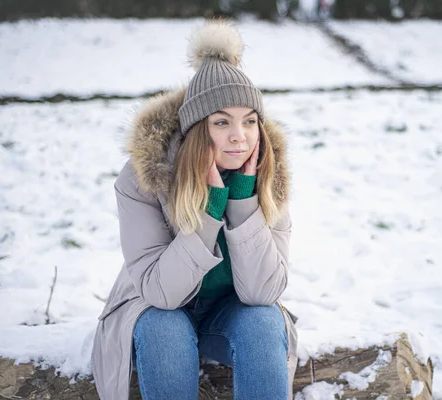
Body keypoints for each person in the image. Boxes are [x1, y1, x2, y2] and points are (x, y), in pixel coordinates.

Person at [91, 19, 298, 400]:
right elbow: (161, 294)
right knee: (164, 328)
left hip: (229, 314)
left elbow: (264, 292)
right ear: (197, 130)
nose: (240, 135)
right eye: (222, 122)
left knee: (264, 321)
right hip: (157, 311)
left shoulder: (270, 178)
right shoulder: (145, 178)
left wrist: (243, 202)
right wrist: (209, 211)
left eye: (250, 121)